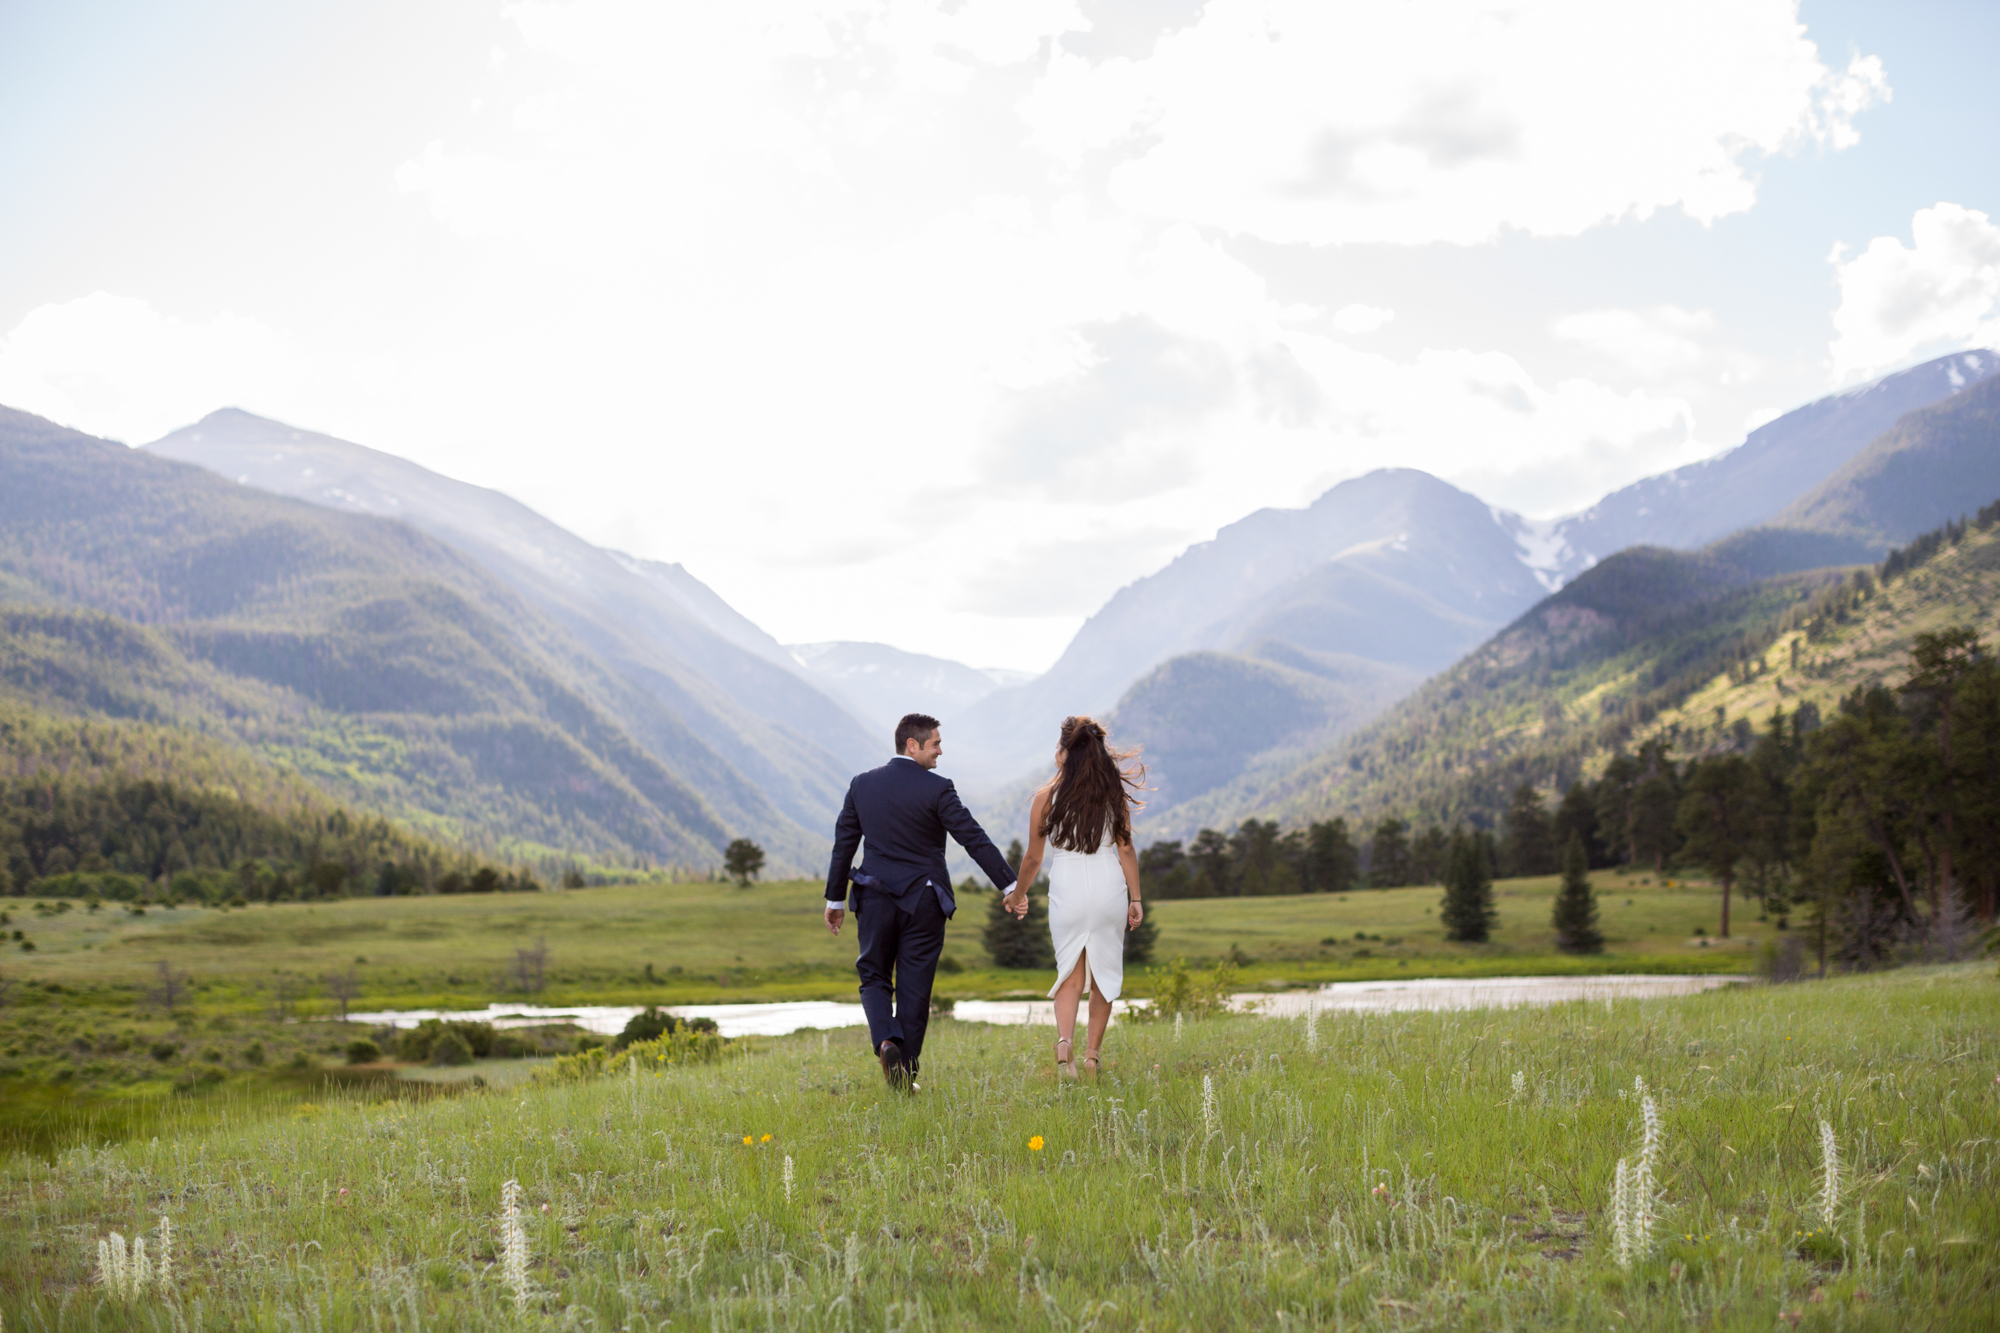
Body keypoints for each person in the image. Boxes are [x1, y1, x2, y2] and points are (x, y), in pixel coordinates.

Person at [825, 712, 1025, 1090]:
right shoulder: (938, 788)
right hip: (925, 900)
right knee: (916, 988)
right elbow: (973, 838)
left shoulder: (861, 785)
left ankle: (886, 1041)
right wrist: (1010, 887)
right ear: (912, 745)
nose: (940, 751)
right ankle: (905, 1072)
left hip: (874, 897)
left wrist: (836, 899)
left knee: (874, 976)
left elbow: (844, 846)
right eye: (935, 743)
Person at [1011, 715, 1145, 1078]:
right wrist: (1135, 899)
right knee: (1103, 974)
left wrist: (1017, 895)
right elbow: (1126, 850)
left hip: (1067, 886)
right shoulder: (1112, 795)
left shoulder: (1045, 798)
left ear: (1063, 753)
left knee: (1070, 972)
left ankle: (1064, 1042)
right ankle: (1091, 1058)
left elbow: (1034, 858)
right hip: (1107, 886)